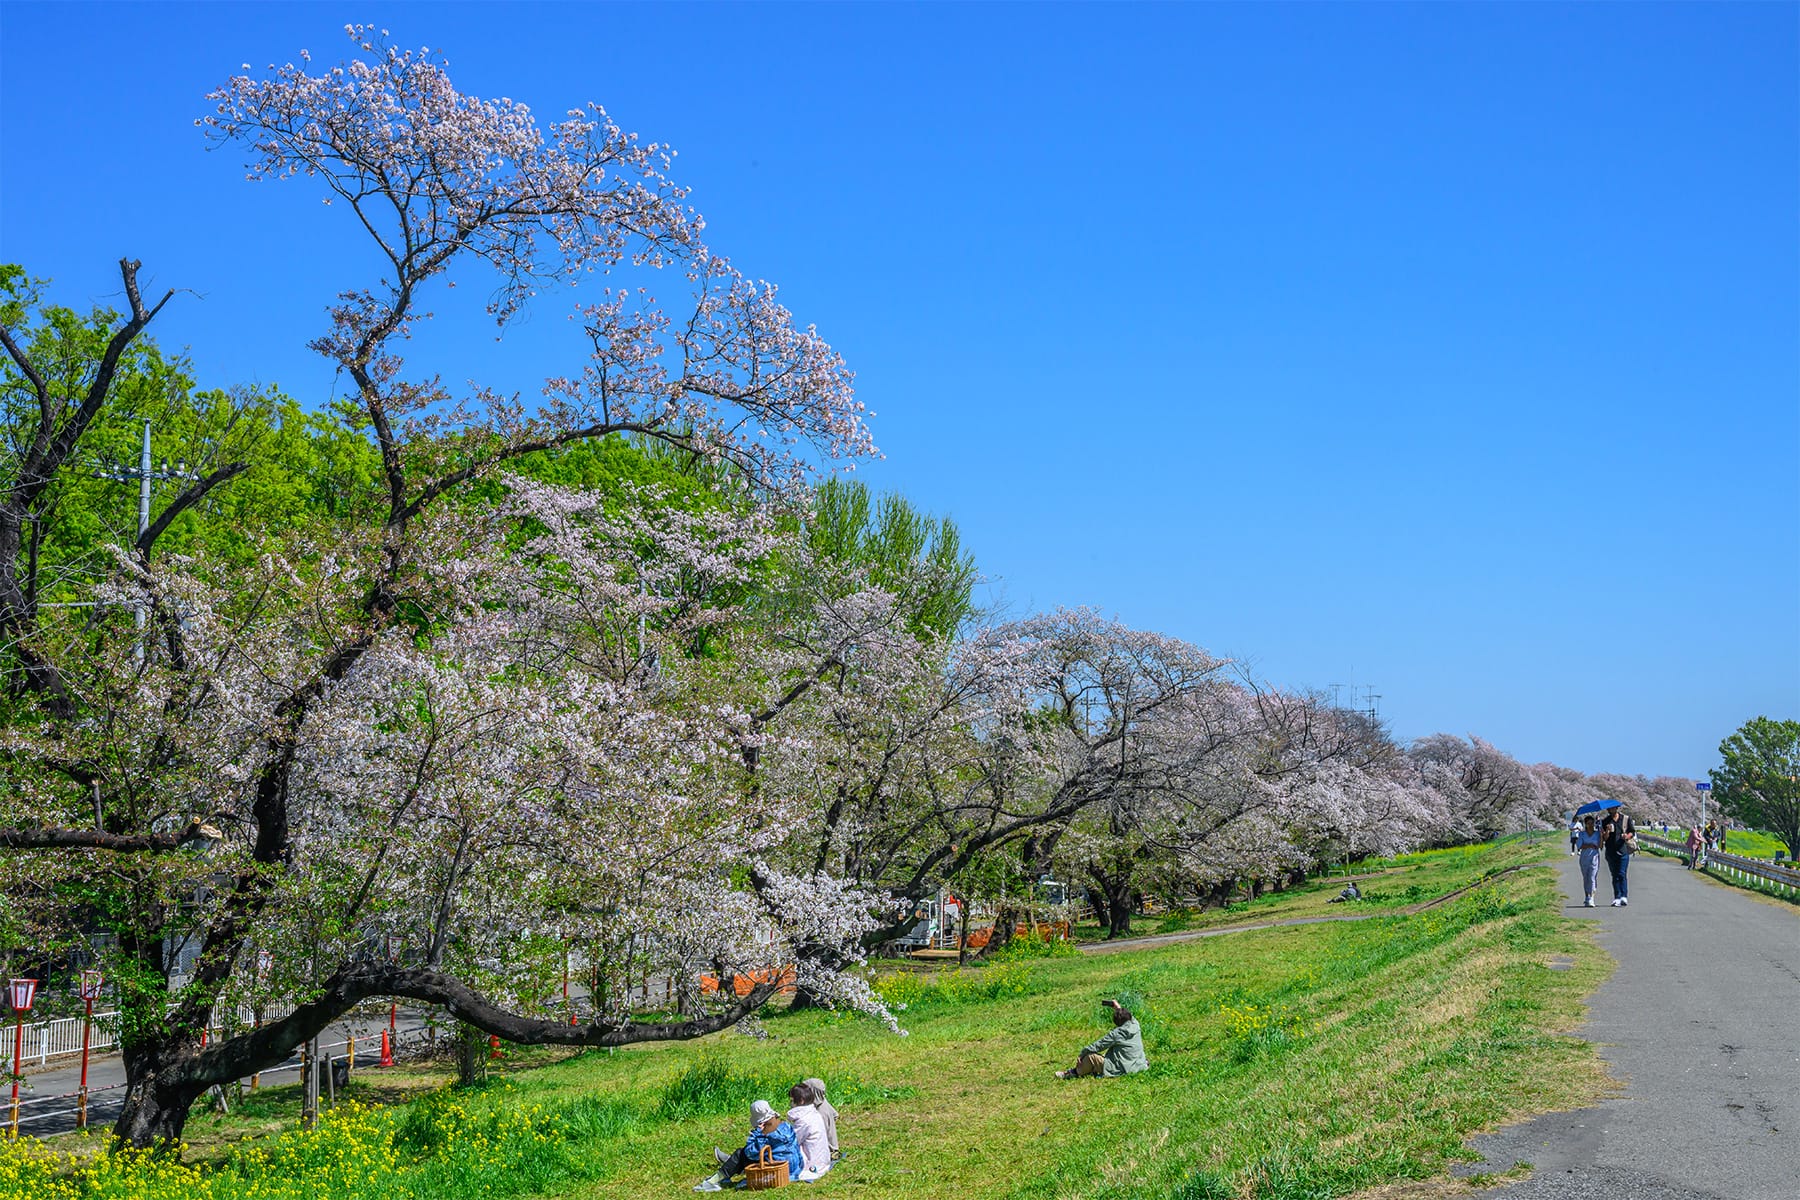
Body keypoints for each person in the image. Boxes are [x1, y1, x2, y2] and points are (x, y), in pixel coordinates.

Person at [694, 1099, 802, 1192]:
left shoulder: (767, 1133)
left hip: (777, 1170)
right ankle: (727, 1171)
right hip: (794, 1168)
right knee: (743, 1155)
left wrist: (757, 1132)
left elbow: (750, 1153)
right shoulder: (785, 1125)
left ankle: (714, 1180)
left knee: (741, 1153)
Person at [1055, 998, 1148, 1079]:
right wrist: (1117, 1007)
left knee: (1091, 1057)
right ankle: (1091, 1070)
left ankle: (1073, 1073)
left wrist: (1082, 1054)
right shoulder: (1135, 1024)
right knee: (1105, 1055)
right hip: (1138, 1064)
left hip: (1122, 1068)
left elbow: (1098, 1045)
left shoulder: (1117, 1033)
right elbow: (1128, 1016)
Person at [785, 1081, 832, 1181]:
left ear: (801, 1101)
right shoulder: (814, 1113)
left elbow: (792, 1141)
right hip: (822, 1161)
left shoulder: (804, 1120)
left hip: (813, 1165)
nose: (790, 1103)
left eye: (792, 1100)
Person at [1602, 808, 1637, 907]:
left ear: (1617, 808)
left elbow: (1632, 832)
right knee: (1615, 875)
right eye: (1609, 808)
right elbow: (1604, 838)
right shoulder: (1605, 821)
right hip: (1610, 851)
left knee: (1622, 873)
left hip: (1623, 850)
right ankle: (1617, 897)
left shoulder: (1625, 819)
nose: (1611, 810)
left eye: (1613, 808)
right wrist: (1607, 831)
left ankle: (1624, 896)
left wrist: (1627, 836)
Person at [802, 1077, 840, 1160]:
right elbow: (835, 1115)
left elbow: (818, 1135)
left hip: (826, 1150)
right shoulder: (823, 1102)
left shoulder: (821, 1113)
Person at [1576, 815, 1603, 906]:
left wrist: (1601, 836)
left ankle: (1591, 897)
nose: (1591, 825)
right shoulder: (1582, 834)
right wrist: (1589, 845)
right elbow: (1579, 845)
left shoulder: (1597, 833)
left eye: (1592, 823)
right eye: (1588, 823)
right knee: (1586, 878)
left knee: (1592, 877)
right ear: (1585, 824)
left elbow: (1600, 846)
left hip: (1594, 858)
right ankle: (1587, 896)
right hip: (1584, 858)